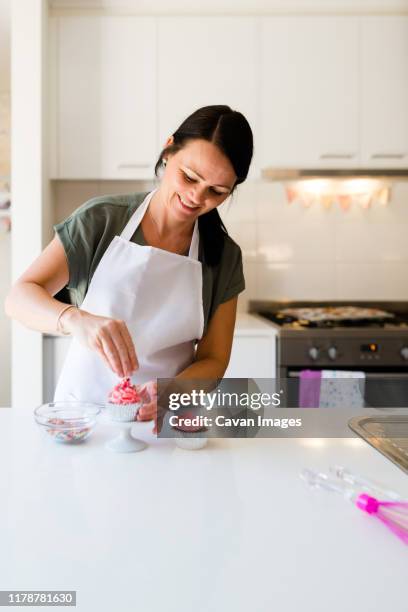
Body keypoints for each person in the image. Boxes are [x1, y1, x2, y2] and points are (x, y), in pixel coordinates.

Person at [5, 105, 253, 431]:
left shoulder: (224, 256)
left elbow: (214, 360)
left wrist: (168, 393)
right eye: (189, 177)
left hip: (160, 422)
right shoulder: (103, 219)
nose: (196, 196)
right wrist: (75, 319)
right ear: (169, 150)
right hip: (81, 419)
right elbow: (19, 298)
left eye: (216, 192)